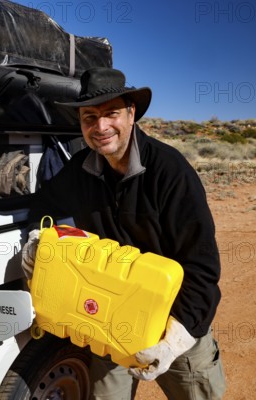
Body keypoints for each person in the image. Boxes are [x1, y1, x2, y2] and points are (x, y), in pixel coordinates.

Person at [22, 67, 226, 399]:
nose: (100, 127)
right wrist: (37, 239)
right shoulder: (79, 171)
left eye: (111, 114)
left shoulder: (169, 172)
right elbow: (43, 206)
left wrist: (176, 338)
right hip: (109, 317)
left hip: (174, 317)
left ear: (131, 114)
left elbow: (202, 268)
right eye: (89, 117)